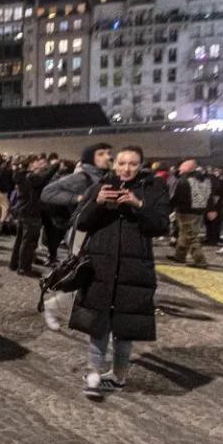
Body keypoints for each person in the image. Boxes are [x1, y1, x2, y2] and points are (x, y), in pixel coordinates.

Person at [68, 146, 170, 398]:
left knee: (126, 327)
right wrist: (98, 203)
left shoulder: (153, 188)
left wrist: (138, 205)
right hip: (100, 265)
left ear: (141, 165)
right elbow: (80, 222)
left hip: (134, 268)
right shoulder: (102, 184)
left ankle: (118, 376)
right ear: (115, 165)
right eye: (122, 163)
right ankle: (93, 375)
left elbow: (160, 226)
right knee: (98, 324)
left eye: (133, 164)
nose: (127, 168)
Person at [39, 142, 112, 331]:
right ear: (90, 158)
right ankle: (52, 307)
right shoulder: (82, 177)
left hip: (96, 231)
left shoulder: (105, 176)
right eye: (101, 154)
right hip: (81, 232)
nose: (107, 157)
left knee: (90, 276)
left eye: (108, 153)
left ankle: (57, 307)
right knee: (81, 273)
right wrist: (77, 199)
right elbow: (48, 193)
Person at [166, 158, 213, 268]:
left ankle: (200, 261)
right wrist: (210, 208)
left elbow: (177, 197)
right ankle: (179, 256)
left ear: (187, 168)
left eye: (182, 167)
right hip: (199, 210)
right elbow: (209, 194)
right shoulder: (205, 179)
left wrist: (169, 207)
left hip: (185, 211)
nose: (180, 169)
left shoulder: (184, 180)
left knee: (191, 236)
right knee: (185, 234)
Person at [8, 154, 50, 276]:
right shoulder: (31, 177)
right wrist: (53, 166)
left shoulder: (21, 175)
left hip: (23, 210)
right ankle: (24, 268)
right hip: (30, 211)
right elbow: (43, 178)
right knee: (29, 242)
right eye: (37, 161)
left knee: (21, 240)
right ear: (31, 163)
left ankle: (14, 264)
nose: (40, 164)